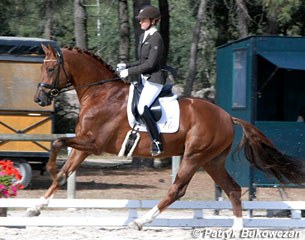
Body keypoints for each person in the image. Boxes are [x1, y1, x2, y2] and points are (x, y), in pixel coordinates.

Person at [116, 5, 165, 156]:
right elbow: (141, 61)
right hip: (144, 80)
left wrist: (128, 72)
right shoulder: (143, 36)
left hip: (154, 80)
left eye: (143, 20)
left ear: (153, 21)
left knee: (143, 107)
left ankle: (157, 141)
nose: (140, 22)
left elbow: (150, 64)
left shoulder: (156, 38)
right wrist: (127, 65)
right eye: (141, 20)